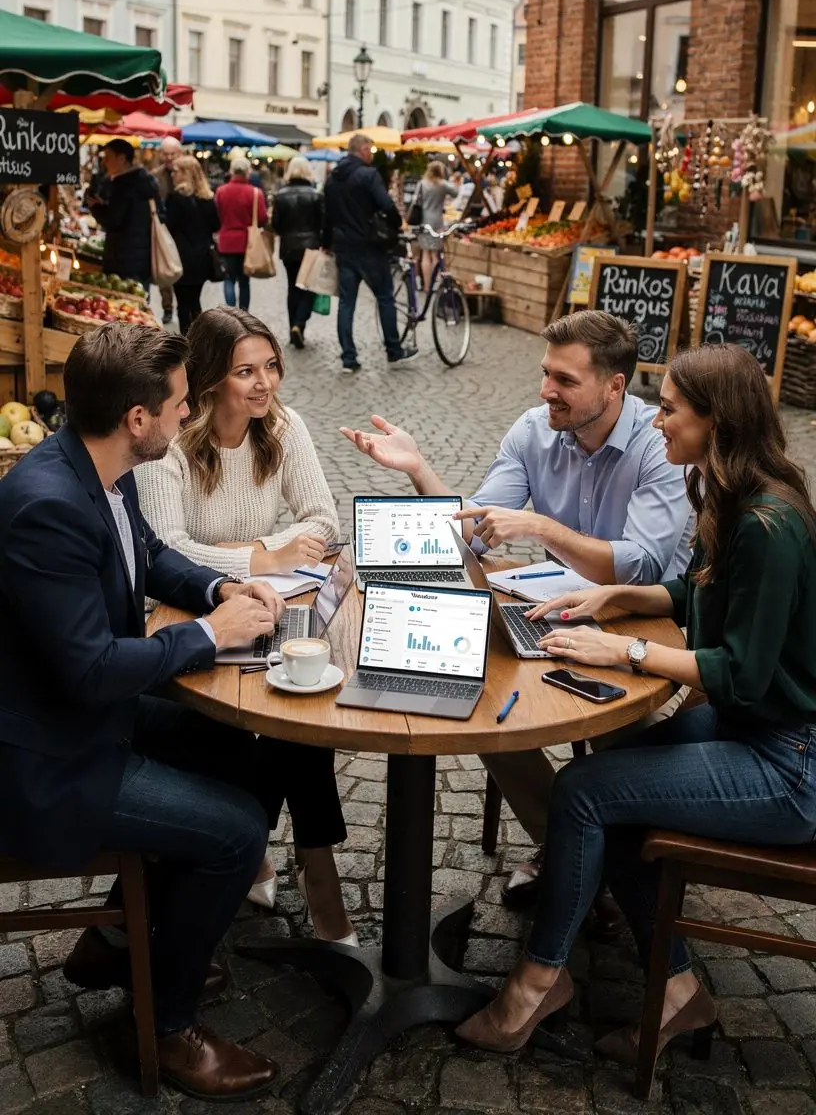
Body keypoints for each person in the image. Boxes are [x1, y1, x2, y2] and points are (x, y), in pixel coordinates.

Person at [455, 342, 816, 1060]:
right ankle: (679, 994)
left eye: (673, 410)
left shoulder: (769, 526)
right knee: (611, 782)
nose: (658, 424)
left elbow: (740, 672)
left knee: (586, 793)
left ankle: (538, 983)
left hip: (791, 762)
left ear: (718, 420)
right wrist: (618, 598)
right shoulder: (732, 494)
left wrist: (627, 649)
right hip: (760, 730)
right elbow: (696, 592)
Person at [0, 323, 291, 1099]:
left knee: (250, 756)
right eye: (178, 402)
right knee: (235, 831)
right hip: (52, 760)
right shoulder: (45, 506)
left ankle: (117, 937)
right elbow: (92, 670)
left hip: (89, 725)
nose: (188, 411)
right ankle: (164, 1029)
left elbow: (152, 557)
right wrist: (208, 635)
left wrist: (219, 590)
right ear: (138, 419)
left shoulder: (100, 464)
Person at [341, 310, 693, 904]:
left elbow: (643, 564)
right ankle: (571, 849)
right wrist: (420, 469)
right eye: (544, 373)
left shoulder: (656, 446)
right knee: (479, 707)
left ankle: (617, 859)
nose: (545, 391)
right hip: (549, 609)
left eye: (564, 380)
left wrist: (540, 526)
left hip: (639, 620)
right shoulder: (535, 430)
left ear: (614, 386)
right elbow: (476, 533)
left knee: (620, 735)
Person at [136, 307, 355, 941]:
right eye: (244, 372)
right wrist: (264, 557)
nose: (265, 384)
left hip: (274, 602)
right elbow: (166, 547)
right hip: (191, 612)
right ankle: (309, 871)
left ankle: (293, 862)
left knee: (300, 709)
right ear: (208, 381)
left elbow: (323, 522)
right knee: (282, 718)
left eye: (270, 367)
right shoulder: (171, 445)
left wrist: (272, 554)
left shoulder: (284, 427)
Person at [321, 131, 417, 372]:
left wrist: (327, 242)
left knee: (346, 303)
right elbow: (387, 205)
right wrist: (396, 225)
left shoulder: (333, 178)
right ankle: (394, 350)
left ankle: (348, 357)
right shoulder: (368, 175)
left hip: (343, 246)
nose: (372, 156)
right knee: (385, 296)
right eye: (371, 151)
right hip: (369, 246)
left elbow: (327, 214)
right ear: (363, 149)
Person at [88, 139, 159, 295]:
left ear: (121, 158)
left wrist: (96, 207)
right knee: (138, 300)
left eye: (108, 157)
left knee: (124, 302)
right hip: (141, 257)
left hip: (122, 257)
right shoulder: (145, 181)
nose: (104, 162)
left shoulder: (124, 185)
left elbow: (113, 221)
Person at [164, 155, 220, 335]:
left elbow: (168, 225)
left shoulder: (175, 198)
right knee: (194, 300)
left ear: (185, 173)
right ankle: (200, 340)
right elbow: (216, 225)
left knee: (182, 303)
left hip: (181, 257)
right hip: (202, 257)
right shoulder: (208, 198)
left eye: (175, 171)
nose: (172, 175)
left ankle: (187, 340)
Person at [272, 156, 323, 349]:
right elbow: (322, 222)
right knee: (308, 287)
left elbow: (276, 224)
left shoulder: (280, 195)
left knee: (292, 286)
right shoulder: (316, 195)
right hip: (310, 247)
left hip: (289, 247)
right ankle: (299, 324)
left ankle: (293, 325)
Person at [214, 154, 268, 311]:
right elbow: (263, 218)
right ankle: (244, 313)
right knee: (244, 281)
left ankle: (231, 313)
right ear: (247, 172)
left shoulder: (221, 191)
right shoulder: (255, 193)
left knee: (229, 279)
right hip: (248, 243)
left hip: (226, 242)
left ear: (231, 171)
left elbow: (216, 216)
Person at [410, 159, 458, 291]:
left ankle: (426, 286)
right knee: (435, 255)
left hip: (424, 220)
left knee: (425, 253)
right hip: (437, 220)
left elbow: (415, 200)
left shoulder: (422, 183)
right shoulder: (442, 184)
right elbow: (455, 192)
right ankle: (435, 284)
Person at [153, 137, 184, 325]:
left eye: (173, 153)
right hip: (164, 229)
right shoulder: (156, 176)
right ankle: (167, 307)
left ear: (179, 153)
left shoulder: (188, 173)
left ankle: (182, 307)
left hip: (183, 231)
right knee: (164, 268)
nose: (169, 157)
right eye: (166, 153)